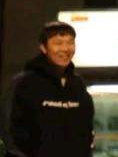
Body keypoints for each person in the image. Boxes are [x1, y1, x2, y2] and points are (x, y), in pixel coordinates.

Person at [0, 21, 95, 157]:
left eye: (70, 43)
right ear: (43, 48)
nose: (65, 49)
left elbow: (87, 128)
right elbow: (9, 130)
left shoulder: (77, 84)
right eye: (58, 43)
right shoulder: (25, 82)